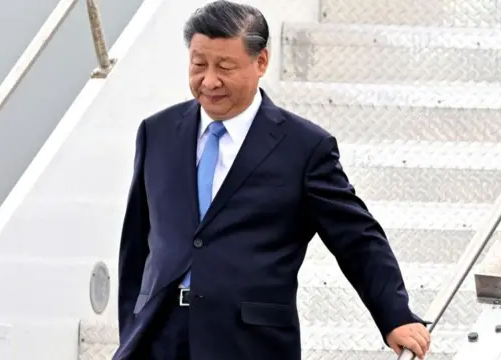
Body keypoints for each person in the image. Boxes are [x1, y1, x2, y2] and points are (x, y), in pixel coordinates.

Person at [113, 1, 431, 359]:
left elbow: (357, 239)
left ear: (261, 61)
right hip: (159, 337)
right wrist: (131, 331)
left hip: (249, 343)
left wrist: (395, 315)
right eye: (199, 65)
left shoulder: (305, 148)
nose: (209, 80)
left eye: (225, 66)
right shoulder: (157, 132)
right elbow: (137, 245)